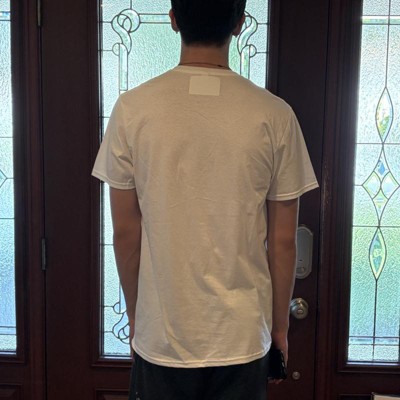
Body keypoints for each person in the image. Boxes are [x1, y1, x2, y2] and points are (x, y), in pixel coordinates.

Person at [92, 0, 318, 398]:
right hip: (243, 339)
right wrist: (279, 329)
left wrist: (138, 316)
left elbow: (126, 233)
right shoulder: (275, 115)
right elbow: (284, 242)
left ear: (173, 20)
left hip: (162, 337)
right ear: (240, 24)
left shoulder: (132, 110)